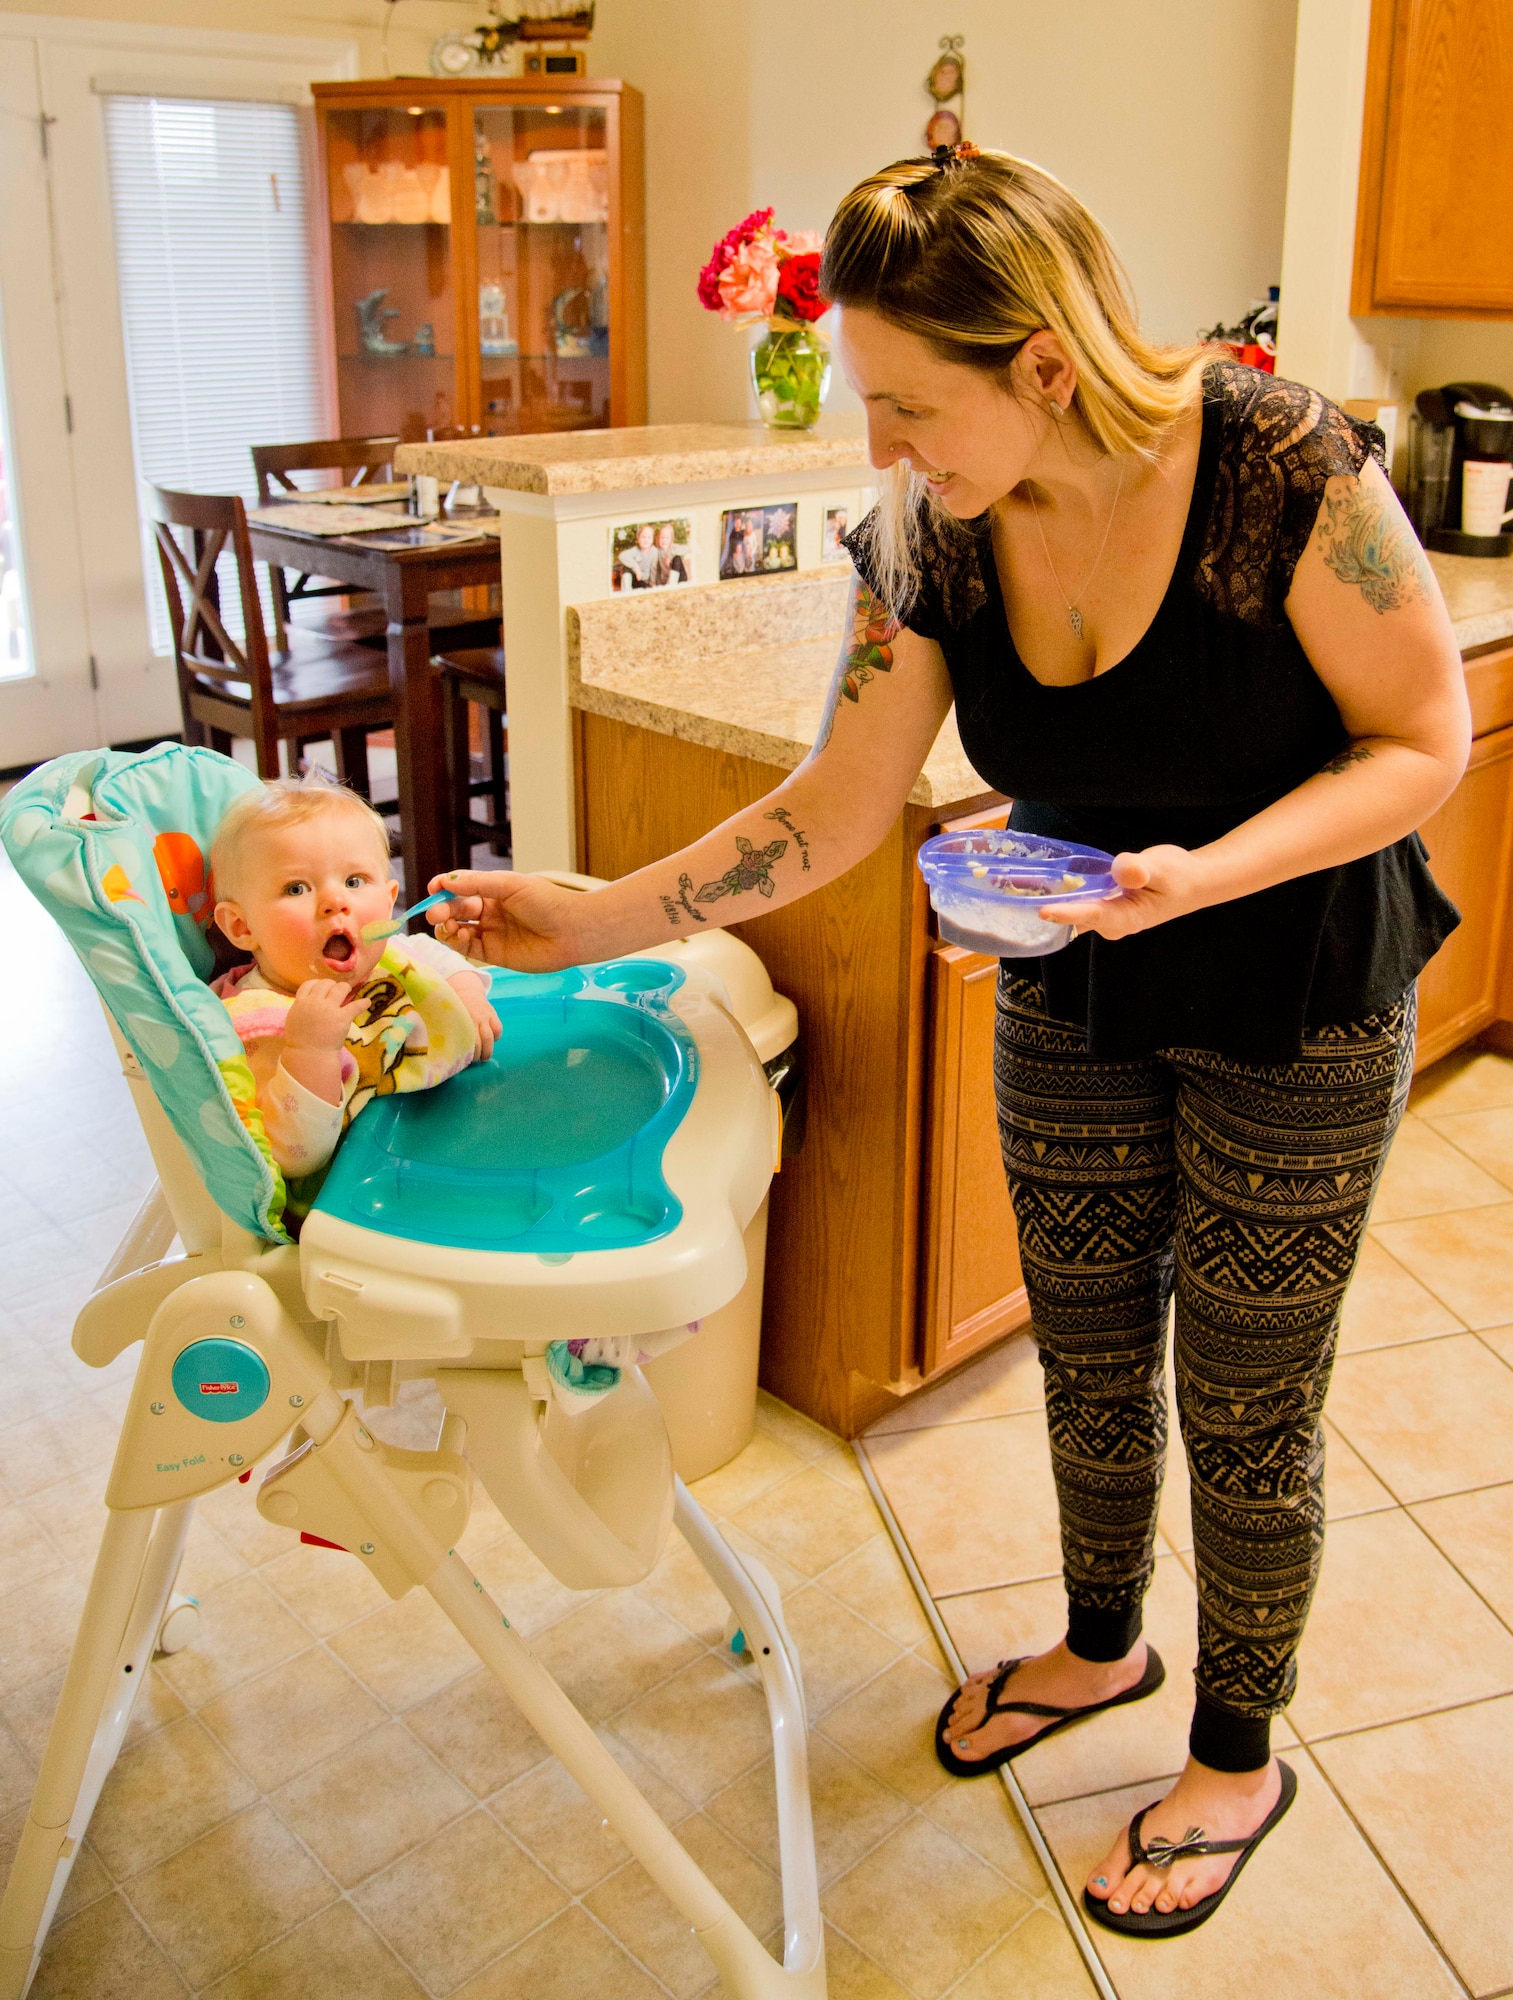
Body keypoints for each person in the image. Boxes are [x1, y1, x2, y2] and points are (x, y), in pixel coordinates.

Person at [426, 147, 1469, 1937]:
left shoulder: (1282, 470)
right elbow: (836, 804)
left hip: (1295, 981)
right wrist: (590, 918)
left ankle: (1234, 1750)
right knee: (1083, 1348)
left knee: (1243, 1391)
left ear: (1042, 366)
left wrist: (1201, 873)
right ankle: (1094, 1645)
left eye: (909, 403)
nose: (879, 449)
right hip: (1070, 968)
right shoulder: (926, 539)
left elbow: (1419, 740)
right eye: (865, 400)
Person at [209, 775, 497, 1188]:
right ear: (241, 926)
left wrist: (466, 992)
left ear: (388, 898)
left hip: (444, 1139)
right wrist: (309, 1050)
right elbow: (295, 1156)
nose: (335, 902)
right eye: (296, 888)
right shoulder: (260, 1024)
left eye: (354, 881)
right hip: (358, 1200)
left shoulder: (389, 954)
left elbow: (425, 952)